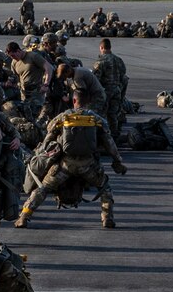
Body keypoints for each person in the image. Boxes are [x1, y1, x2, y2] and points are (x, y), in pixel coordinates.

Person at [16, 84, 128, 228]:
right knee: (105, 187)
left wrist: (43, 157)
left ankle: (24, 216)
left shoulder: (63, 117)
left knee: (43, 188)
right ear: (88, 101)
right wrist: (117, 161)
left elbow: (47, 139)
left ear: (74, 101)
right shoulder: (96, 119)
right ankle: (107, 217)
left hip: (64, 165)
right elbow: (109, 143)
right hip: (88, 166)